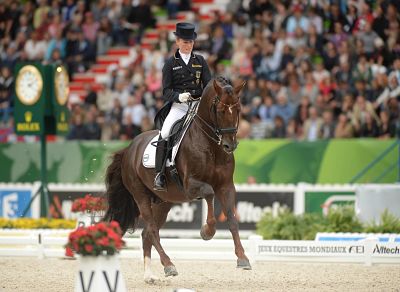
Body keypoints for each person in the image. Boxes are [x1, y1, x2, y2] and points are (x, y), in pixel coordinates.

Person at [153, 22, 211, 191]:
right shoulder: (170, 63)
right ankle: (159, 175)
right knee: (164, 133)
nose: (188, 45)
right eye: (185, 42)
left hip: (198, 106)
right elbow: (165, 91)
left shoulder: (200, 61)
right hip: (179, 107)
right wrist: (178, 97)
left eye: (191, 42)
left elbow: (208, 85)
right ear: (177, 42)